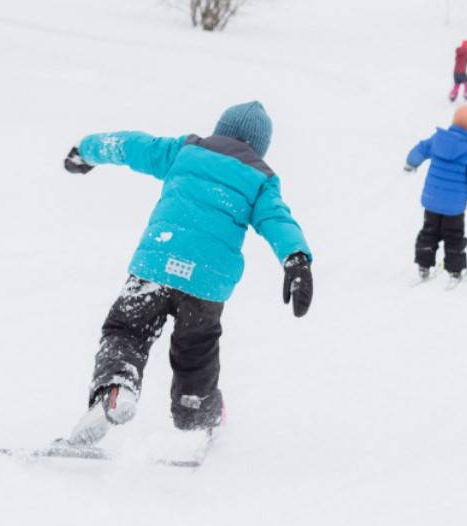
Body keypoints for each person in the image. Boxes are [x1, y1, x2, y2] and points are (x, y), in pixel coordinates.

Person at [62, 101, 314, 445]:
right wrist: (296, 259)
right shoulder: (261, 180)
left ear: (221, 129)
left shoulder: (185, 150)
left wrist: (86, 151)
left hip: (156, 264)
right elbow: (277, 220)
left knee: (127, 331)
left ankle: (116, 389)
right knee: (196, 350)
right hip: (206, 283)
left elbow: (131, 145)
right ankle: (195, 417)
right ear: (260, 146)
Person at [403, 105, 467, 284]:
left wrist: (411, 163)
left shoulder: (438, 140)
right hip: (454, 207)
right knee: (453, 236)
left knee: (429, 231)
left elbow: (421, 149)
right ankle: (455, 272)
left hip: (432, 200)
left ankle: (423, 266)